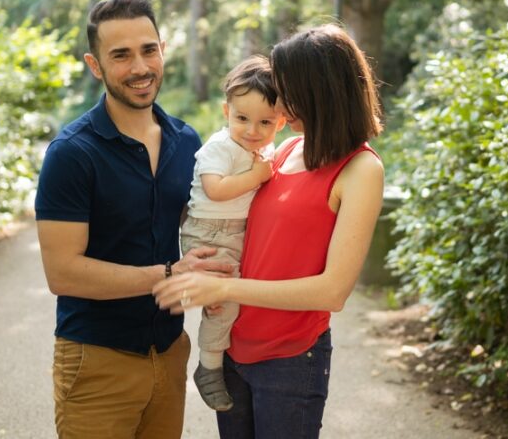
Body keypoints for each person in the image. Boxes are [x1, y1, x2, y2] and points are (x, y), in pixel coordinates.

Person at [153, 23, 385, 438]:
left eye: (286, 89)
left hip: (290, 359)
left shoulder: (361, 169)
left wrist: (225, 290)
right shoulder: (285, 149)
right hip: (234, 348)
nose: (279, 101)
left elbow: (332, 291)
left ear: (319, 91)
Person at [34, 0, 231, 439]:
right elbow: (62, 273)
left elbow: (195, 226)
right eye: (121, 55)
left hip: (169, 352)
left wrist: (216, 276)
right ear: (95, 64)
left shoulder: (187, 140)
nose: (140, 67)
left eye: (149, 50)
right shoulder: (71, 154)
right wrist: (168, 274)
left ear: (162, 49)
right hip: (97, 360)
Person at [183, 55, 286, 412]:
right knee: (222, 303)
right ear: (226, 111)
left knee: (231, 298)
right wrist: (257, 177)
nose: (252, 130)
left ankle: (221, 356)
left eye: (265, 122)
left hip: (236, 232)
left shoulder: (264, 150)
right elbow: (216, 189)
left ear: (282, 122)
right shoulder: (220, 147)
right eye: (242, 118)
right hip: (209, 233)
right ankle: (208, 367)